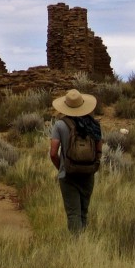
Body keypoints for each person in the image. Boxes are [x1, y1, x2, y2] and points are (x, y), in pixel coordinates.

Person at [49, 88, 103, 233]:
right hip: (87, 173)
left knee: (73, 213)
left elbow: (53, 153)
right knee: (83, 212)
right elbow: (99, 150)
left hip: (68, 174)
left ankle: (76, 247)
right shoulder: (94, 125)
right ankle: (83, 243)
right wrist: (93, 165)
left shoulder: (60, 125)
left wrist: (62, 166)